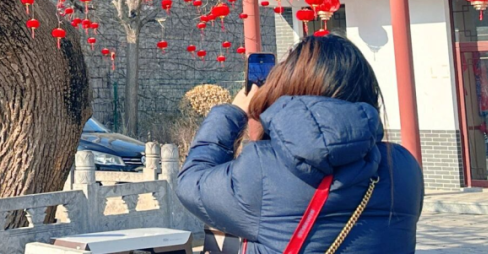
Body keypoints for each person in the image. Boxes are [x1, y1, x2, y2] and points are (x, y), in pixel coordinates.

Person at [177, 34, 423, 254]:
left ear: (288, 86)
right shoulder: (403, 167)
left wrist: (233, 112)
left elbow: (191, 182)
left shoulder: (263, 169)